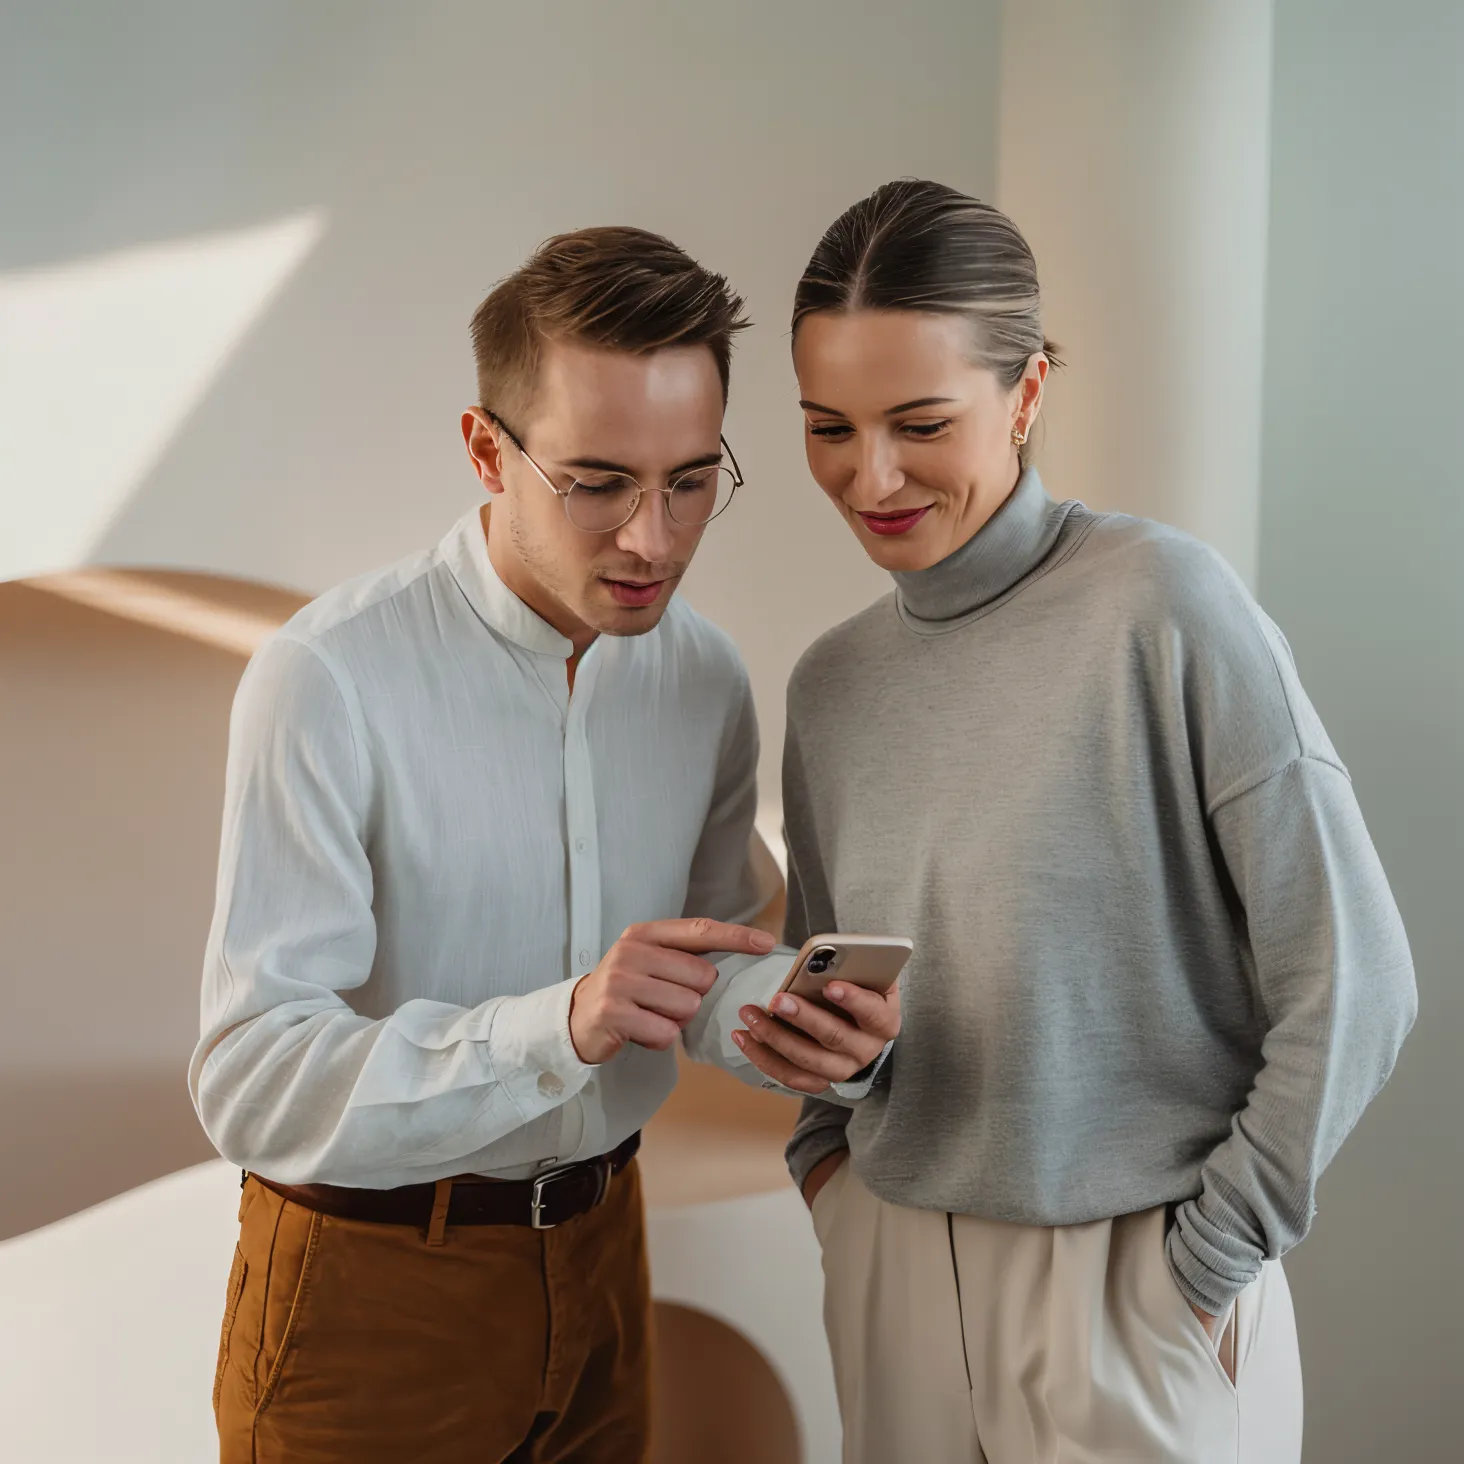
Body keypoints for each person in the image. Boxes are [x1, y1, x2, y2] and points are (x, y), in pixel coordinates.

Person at [730, 180, 1418, 1464]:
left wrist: (1200, 1267)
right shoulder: (832, 684)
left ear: (1029, 392)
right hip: (889, 1267)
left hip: (1135, 1285)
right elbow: (839, 1001)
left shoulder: (1162, 605)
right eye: (829, 428)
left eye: (919, 423)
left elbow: (1359, 979)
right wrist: (830, 1153)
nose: (869, 476)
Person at [190, 225, 894, 1464]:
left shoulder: (704, 678)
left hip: (605, 1252)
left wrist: (787, 1021)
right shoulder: (327, 680)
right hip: (370, 1292)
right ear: (484, 448)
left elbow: (697, 965)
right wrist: (559, 1023)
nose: (653, 539)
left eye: (689, 480)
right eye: (599, 481)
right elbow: (251, 1074)